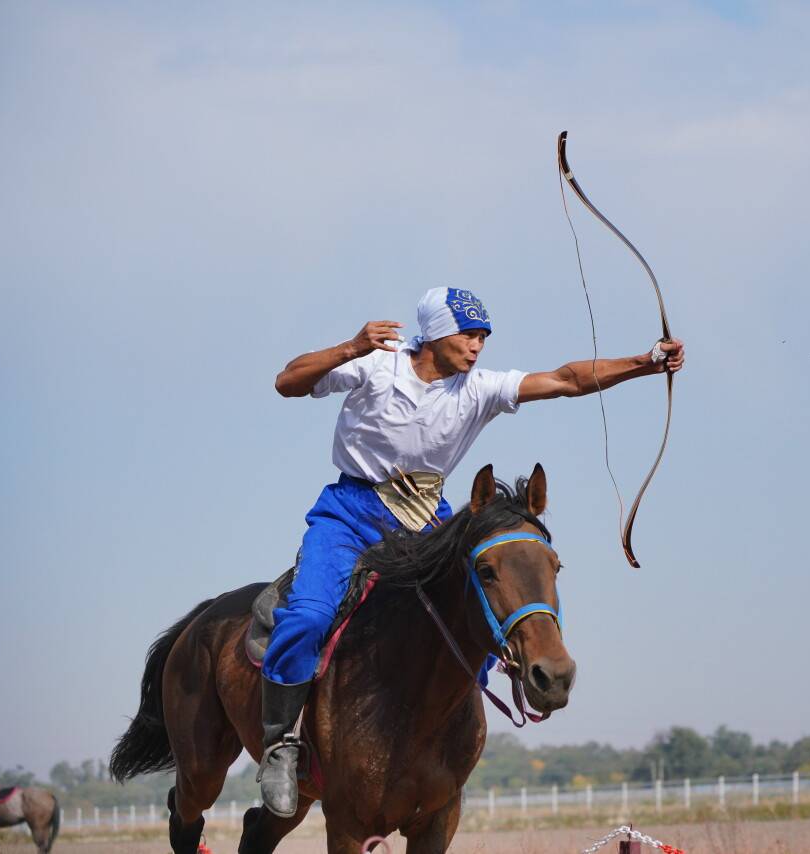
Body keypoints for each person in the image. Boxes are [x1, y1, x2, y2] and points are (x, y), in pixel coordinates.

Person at [257, 287, 684, 816]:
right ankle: (280, 745)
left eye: (483, 336)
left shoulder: (480, 387)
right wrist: (349, 347)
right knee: (310, 616)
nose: (478, 346)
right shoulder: (376, 365)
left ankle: (448, 736)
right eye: (468, 334)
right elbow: (287, 382)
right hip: (350, 512)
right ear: (435, 333)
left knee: (474, 611)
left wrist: (647, 362)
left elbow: (567, 380)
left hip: (425, 519)